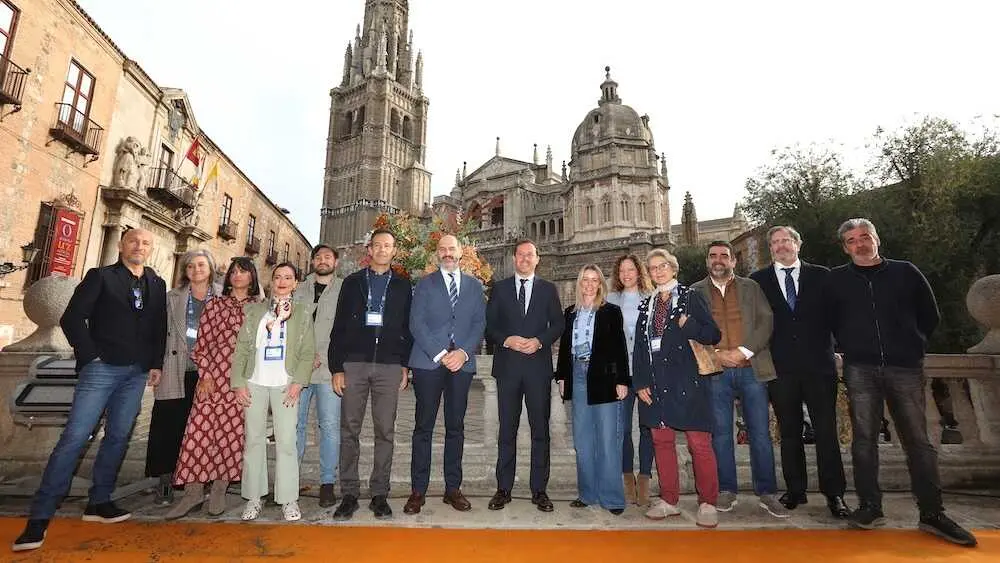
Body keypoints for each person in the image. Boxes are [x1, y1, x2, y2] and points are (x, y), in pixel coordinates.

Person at [13, 228, 167, 553]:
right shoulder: (100, 277)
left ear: (150, 249)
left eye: (146, 243)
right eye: (134, 241)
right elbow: (72, 318)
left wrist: (155, 363)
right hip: (101, 369)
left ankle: (99, 502)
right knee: (74, 438)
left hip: (136, 373)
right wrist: (91, 356)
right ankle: (39, 518)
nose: (140, 246)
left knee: (118, 437)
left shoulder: (156, 283)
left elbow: (158, 328)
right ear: (123, 245)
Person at [827, 218, 976, 547]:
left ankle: (933, 513)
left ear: (876, 239)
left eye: (865, 237)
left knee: (918, 442)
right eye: (852, 240)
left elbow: (930, 314)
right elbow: (828, 321)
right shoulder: (836, 280)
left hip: (905, 367)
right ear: (845, 247)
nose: (860, 244)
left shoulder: (906, 272)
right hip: (860, 368)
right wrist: (845, 348)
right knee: (864, 441)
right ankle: (870, 507)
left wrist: (912, 345)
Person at [749, 226, 850, 518]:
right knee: (789, 432)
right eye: (775, 242)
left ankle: (835, 494)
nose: (781, 246)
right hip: (780, 369)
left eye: (786, 240)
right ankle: (796, 490)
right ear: (771, 249)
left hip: (820, 366)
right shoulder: (759, 281)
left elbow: (839, 316)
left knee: (827, 431)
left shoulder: (822, 276)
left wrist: (842, 347)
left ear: (798, 244)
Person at [691, 241, 788, 518]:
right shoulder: (695, 291)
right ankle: (726, 489)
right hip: (716, 371)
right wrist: (719, 355)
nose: (718, 260)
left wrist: (742, 351)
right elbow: (692, 329)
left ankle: (767, 492)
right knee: (721, 434)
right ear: (707, 261)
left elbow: (765, 322)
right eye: (713, 256)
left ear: (733, 261)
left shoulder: (751, 287)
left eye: (724, 256)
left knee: (760, 433)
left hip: (752, 369)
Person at [165, 257, 261, 520]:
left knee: (232, 436)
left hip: (244, 381)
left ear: (252, 277)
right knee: (199, 432)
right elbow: (202, 344)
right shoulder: (215, 305)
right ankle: (193, 493)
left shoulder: (260, 309)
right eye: (235, 271)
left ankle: (219, 488)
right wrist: (205, 375)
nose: (239, 276)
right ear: (228, 277)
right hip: (214, 378)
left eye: (244, 271)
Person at [633, 249, 722, 528]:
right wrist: (640, 382)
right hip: (657, 381)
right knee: (662, 442)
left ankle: (708, 501)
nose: (658, 271)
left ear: (674, 268)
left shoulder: (689, 297)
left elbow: (712, 334)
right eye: (652, 268)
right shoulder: (647, 305)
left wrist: (689, 324)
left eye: (662, 266)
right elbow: (640, 347)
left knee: (699, 443)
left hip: (688, 380)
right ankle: (669, 500)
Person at [330, 229, 413, 521]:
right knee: (349, 430)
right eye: (377, 245)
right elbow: (338, 327)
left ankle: (380, 493)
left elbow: (408, 329)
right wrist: (336, 367)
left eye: (387, 246)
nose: (381, 250)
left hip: (389, 366)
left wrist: (405, 364)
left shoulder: (403, 286)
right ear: (370, 249)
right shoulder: (352, 283)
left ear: (394, 251)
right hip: (354, 364)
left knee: (385, 432)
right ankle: (349, 493)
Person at [403, 235, 487, 515]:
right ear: (437, 254)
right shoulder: (425, 285)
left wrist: (462, 352)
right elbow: (416, 323)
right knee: (423, 427)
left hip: (461, 365)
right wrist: (440, 354)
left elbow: (479, 323)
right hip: (428, 363)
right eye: (443, 249)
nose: (447, 253)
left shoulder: (475, 287)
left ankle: (453, 488)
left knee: (456, 427)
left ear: (461, 253)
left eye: (452, 249)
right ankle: (418, 490)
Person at [231, 262, 315, 522]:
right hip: (254, 382)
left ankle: (288, 499)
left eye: (288, 277)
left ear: (295, 283)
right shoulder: (254, 311)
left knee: (287, 443)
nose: (281, 281)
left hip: (285, 384)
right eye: (277, 276)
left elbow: (307, 352)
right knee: (254, 440)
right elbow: (242, 348)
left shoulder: (302, 312)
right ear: (271, 281)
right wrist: (238, 383)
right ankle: (254, 498)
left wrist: (298, 383)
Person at [486, 239, 564, 513]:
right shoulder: (500, 289)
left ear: (537, 259)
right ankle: (503, 488)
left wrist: (540, 341)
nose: (525, 259)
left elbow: (558, 324)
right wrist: (506, 339)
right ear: (514, 259)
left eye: (530, 255)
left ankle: (539, 490)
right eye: (520, 255)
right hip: (507, 369)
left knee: (540, 431)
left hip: (537, 369)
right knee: (506, 430)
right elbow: (489, 327)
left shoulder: (548, 289)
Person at [146, 249, 220, 505]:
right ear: (185, 271)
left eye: (201, 265)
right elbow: (157, 332)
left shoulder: (224, 296)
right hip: (176, 366)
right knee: (167, 424)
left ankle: (201, 480)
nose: (196, 270)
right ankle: (165, 481)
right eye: (191, 266)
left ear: (210, 268)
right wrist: (155, 365)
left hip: (211, 372)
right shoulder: (172, 298)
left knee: (205, 430)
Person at [554, 265, 629, 515]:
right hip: (577, 376)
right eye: (584, 280)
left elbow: (620, 348)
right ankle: (587, 494)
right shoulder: (570, 313)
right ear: (579, 283)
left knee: (608, 440)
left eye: (594, 280)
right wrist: (562, 376)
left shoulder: (611, 312)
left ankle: (612, 498)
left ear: (600, 284)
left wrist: (622, 381)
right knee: (583, 441)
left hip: (605, 378)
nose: (589, 284)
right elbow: (565, 349)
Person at [292, 244, 343, 508]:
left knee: (330, 427)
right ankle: (289, 481)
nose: (322, 261)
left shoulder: (344, 289)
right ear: (313, 261)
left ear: (336, 261)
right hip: (297, 370)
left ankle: (326, 483)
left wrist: (326, 357)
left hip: (328, 370)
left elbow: (345, 329)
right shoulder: (297, 288)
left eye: (327, 257)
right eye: (318, 257)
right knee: (294, 426)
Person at [607, 254, 656, 506]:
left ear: (639, 272)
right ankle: (627, 479)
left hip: (647, 372)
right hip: (622, 374)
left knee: (647, 427)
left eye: (631, 270)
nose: (626, 274)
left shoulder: (652, 298)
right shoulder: (610, 300)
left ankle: (645, 478)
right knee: (623, 428)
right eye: (622, 270)